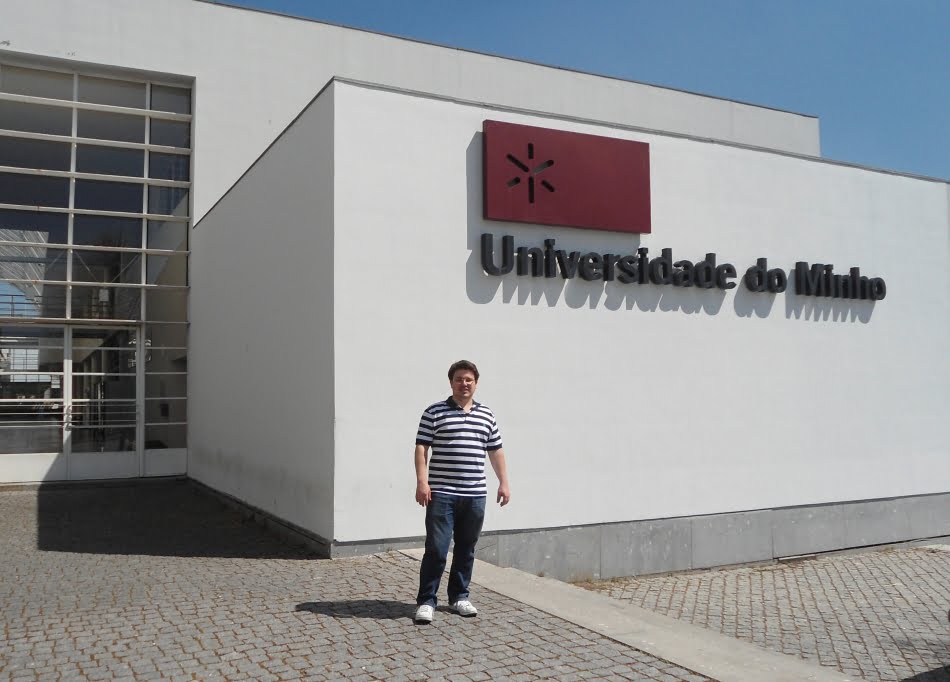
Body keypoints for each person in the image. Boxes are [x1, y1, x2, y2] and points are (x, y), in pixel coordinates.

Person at [413, 360, 510, 624]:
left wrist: (504, 482)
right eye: (459, 379)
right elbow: (422, 448)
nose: (464, 384)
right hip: (441, 493)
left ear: (475, 383)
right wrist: (423, 482)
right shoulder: (434, 412)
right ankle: (426, 601)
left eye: (468, 379)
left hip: (475, 494)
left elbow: (495, 450)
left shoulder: (486, 415)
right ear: (451, 382)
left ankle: (459, 597)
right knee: (437, 548)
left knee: (467, 548)